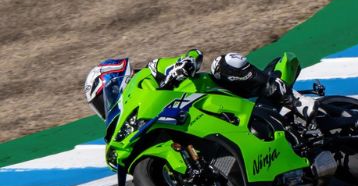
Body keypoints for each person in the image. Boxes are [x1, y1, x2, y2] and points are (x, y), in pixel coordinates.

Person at [84, 48, 313, 120]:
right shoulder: (136, 116)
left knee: (224, 63)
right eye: (100, 105)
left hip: (224, 95)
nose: (105, 107)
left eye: (104, 98)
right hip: (203, 120)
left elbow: (194, 54)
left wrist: (183, 65)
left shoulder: (149, 73)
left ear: (117, 82)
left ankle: (294, 100)